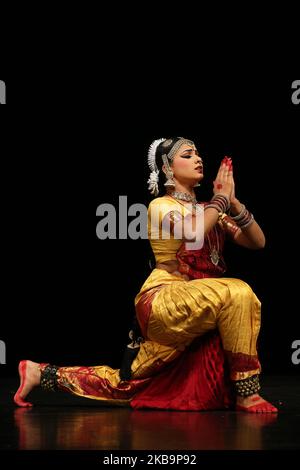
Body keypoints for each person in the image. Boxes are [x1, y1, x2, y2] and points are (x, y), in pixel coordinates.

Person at [14, 137, 277, 413]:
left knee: (130, 386)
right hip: (164, 300)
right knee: (238, 292)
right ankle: (248, 392)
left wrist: (233, 203)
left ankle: (39, 373)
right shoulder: (161, 207)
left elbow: (257, 242)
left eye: (198, 153)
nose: (198, 158)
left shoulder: (208, 211)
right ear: (167, 168)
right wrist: (221, 200)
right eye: (187, 155)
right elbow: (193, 232)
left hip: (199, 301)